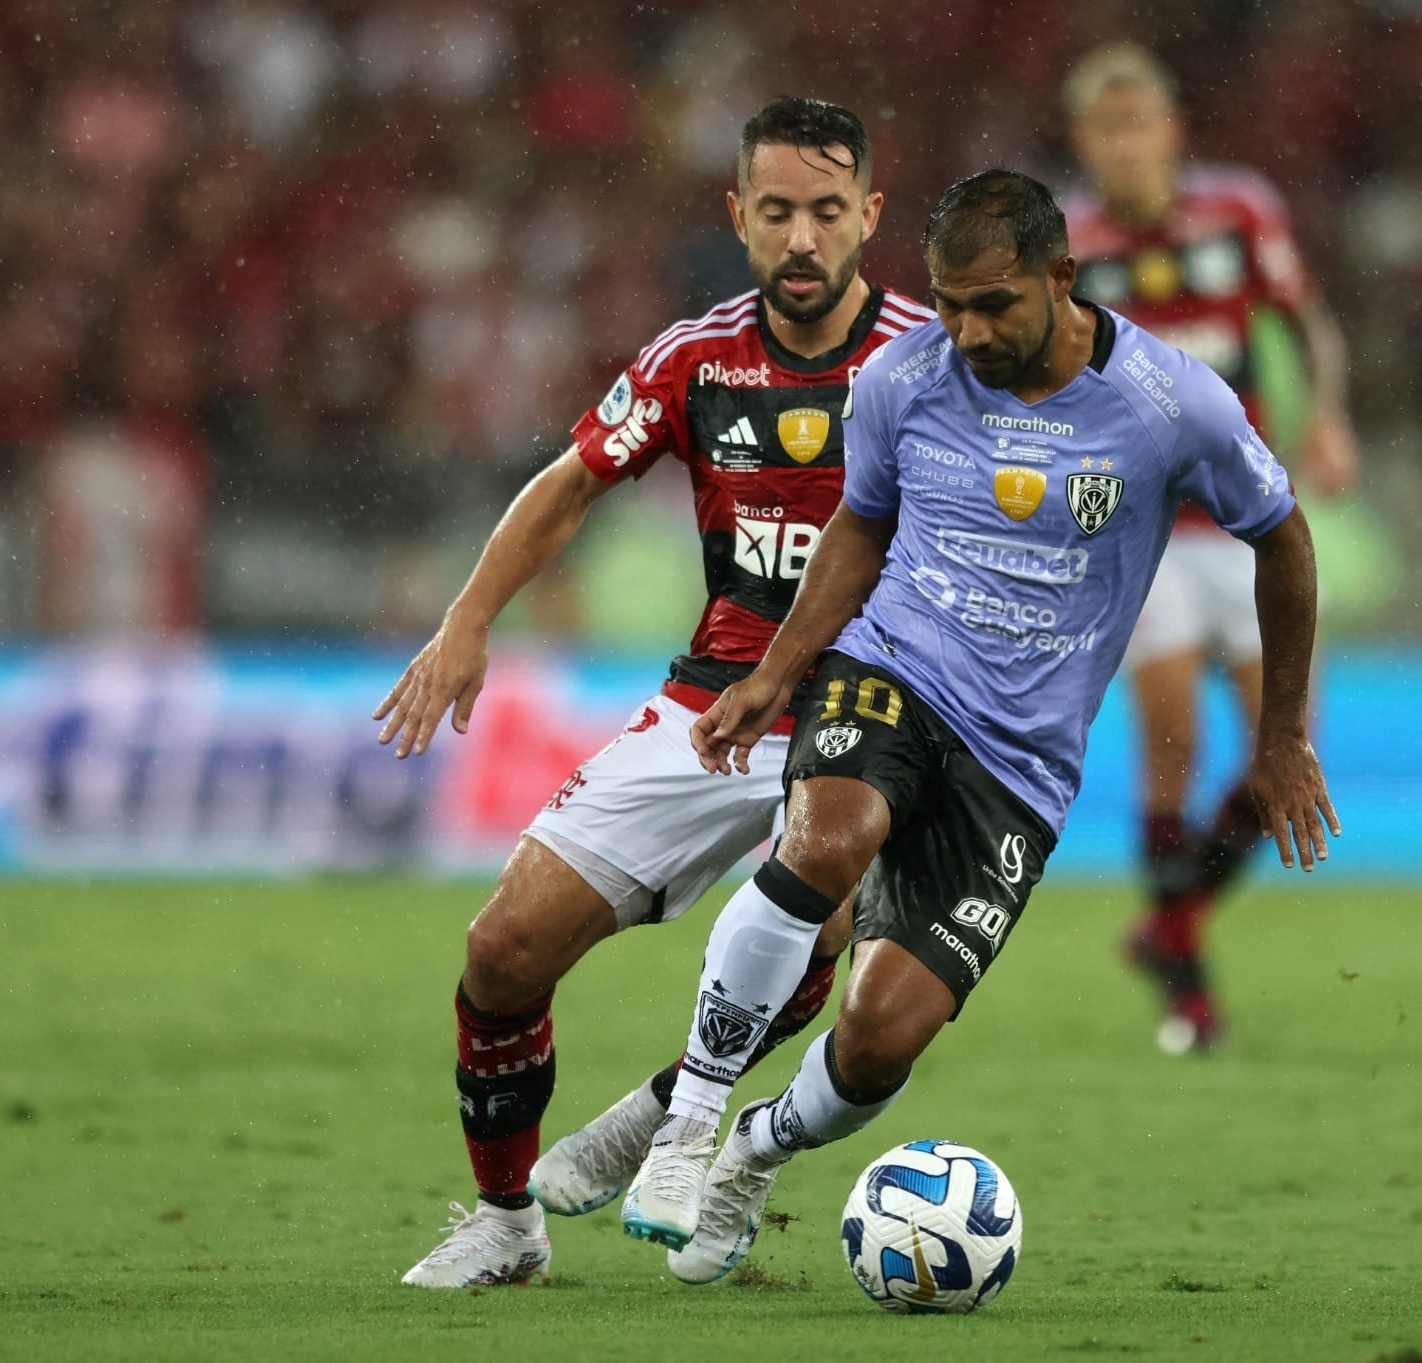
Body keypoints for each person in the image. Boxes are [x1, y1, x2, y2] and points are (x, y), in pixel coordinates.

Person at [618, 169, 1338, 1283]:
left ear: (1061, 278)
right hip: (894, 668)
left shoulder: (1169, 401)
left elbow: (1283, 539)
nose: (966, 329)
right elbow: (860, 527)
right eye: (950, 301)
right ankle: (690, 1121)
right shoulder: (907, 377)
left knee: (877, 1040)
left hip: (1023, 760)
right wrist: (777, 670)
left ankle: (757, 1147)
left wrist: (1283, 735)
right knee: (825, 839)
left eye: (994, 303)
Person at [374, 97, 934, 1288]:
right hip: (713, 704)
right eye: (776, 210)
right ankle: (507, 1222)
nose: (801, 239)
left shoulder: (930, 359)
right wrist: (469, 620)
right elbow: (573, 483)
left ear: (870, 217)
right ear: (737, 214)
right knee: (502, 951)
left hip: (870, 714)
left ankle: (668, 1110)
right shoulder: (698, 357)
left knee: (813, 919)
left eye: (827, 212)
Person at [1062, 44, 1360, 1054]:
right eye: (1108, 129)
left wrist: (1326, 417)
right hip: (1140, 529)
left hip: (1245, 516)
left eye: (1140, 123)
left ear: (1174, 133)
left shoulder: (1238, 213)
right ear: (1085, 144)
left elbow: (1307, 319)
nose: (1127, 146)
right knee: (1173, 740)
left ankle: (1170, 923)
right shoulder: (1069, 247)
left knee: (1289, 746)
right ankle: (1188, 987)